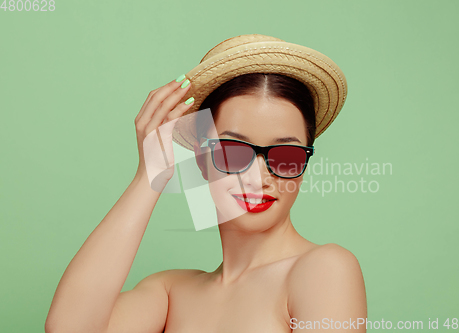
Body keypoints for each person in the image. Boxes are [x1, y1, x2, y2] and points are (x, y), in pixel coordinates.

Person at [45, 34, 367, 333]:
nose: (258, 177)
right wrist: (150, 176)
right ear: (201, 159)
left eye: (285, 155)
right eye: (233, 151)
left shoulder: (325, 270)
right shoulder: (171, 293)